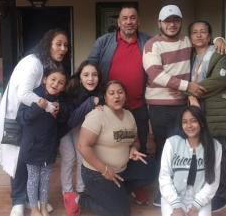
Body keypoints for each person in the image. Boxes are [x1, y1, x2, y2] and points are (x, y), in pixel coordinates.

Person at [142, 5, 226, 206]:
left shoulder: (187, 41)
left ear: (180, 22)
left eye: (176, 20)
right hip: (160, 105)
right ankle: (162, 193)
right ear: (159, 23)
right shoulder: (152, 45)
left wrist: (218, 39)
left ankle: (185, 190)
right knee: (165, 149)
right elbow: (155, 74)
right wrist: (186, 85)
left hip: (182, 104)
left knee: (183, 148)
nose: (172, 24)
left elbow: (202, 39)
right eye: (167, 21)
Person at [0, 29, 69, 216]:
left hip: (32, 117)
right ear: (48, 44)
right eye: (58, 44)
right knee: (20, 158)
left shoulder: (46, 64)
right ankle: (18, 201)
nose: (63, 49)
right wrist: (48, 107)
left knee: (29, 159)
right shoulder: (34, 63)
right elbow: (24, 94)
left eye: (65, 46)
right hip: (19, 116)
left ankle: (31, 200)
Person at [88, 6, 152, 204]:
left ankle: (135, 186)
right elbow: (90, 68)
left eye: (133, 18)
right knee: (110, 145)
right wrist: (92, 98)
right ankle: (109, 182)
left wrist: (217, 40)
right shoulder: (104, 42)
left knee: (138, 148)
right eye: (125, 18)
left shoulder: (147, 41)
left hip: (138, 106)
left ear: (138, 21)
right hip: (110, 107)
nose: (129, 22)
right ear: (119, 22)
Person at [77, 80, 156, 216]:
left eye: (120, 92)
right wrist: (104, 169)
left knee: (152, 167)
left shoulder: (129, 116)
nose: (117, 96)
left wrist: (133, 149)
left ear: (125, 96)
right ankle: (81, 199)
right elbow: (82, 146)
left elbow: (135, 141)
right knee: (121, 213)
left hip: (121, 170)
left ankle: (116, 192)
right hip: (97, 174)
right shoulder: (98, 115)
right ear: (105, 97)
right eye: (111, 93)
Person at [187, 20, 226, 212]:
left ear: (210, 36)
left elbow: (219, 80)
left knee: (223, 158)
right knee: (210, 157)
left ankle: (222, 197)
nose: (199, 35)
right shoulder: (193, 58)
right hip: (204, 115)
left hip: (222, 115)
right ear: (191, 38)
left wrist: (190, 92)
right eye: (195, 32)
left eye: (203, 32)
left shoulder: (221, 53)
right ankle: (209, 191)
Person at [19, 67, 68, 216]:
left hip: (49, 147)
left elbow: (63, 121)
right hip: (32, 146)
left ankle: (44, 206)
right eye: (53, 79)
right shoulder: (31, 96)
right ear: (45, 79)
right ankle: (34, 208)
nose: (56, 84)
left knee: (45, 179)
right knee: (33, 179)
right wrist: (37, 107)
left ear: (64, 86)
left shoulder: (60, 100)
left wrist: (61, 111)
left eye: (60, 82)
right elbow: (22, 119)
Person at [159, 106, 222, 216]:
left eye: (193, 121)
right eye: (185, 122)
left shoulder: (215, 146)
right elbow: (164, 176)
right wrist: (176, 206)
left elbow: (213, 181)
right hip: (174, 196)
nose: (189, 126)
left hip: (200, 197)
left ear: (201, 123)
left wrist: (197, 205)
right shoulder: (171, 143)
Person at [60, 60, 102, 216]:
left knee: (81, 157)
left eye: (94, 75)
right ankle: (68, 193)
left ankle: (81, 190)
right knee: (69, 158)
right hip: (65, 128)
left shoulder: (100, 93)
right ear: (80, 78)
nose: (90, 79)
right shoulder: (71, 91)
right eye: (86, 75)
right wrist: (91, 103)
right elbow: (71, 120)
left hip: (82, 128)